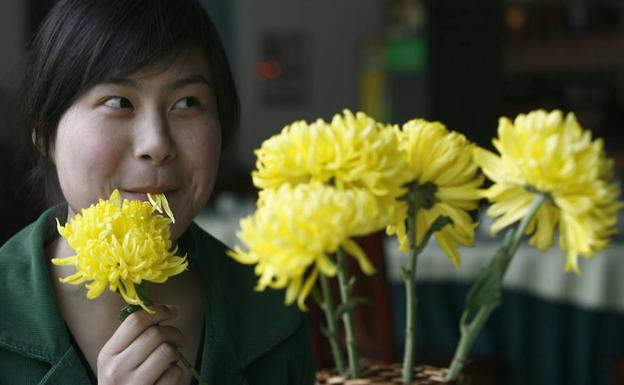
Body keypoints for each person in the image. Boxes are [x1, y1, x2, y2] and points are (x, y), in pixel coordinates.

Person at [0, 0, 315, 384]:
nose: (157, 144)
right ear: (44, 131)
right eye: (119, 102)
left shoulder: (271, 314)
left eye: (187, 103)